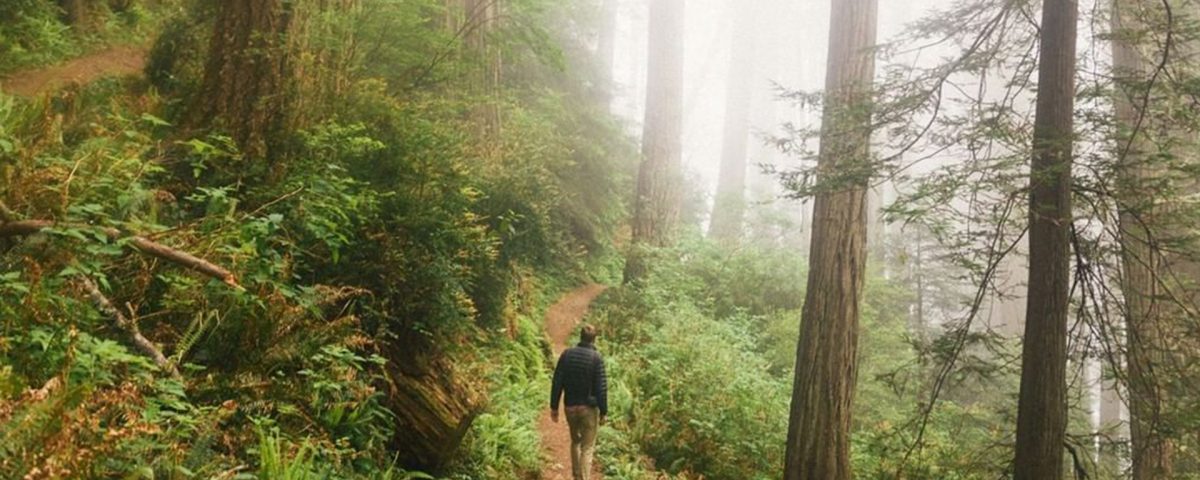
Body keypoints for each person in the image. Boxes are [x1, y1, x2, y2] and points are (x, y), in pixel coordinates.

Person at [550, 324, 608, 480]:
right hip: (588, 409)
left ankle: (577, 476)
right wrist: (603, 411)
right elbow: (601, 388)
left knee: (575, 441)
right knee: (587, 448)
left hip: (570, 408)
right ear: (594, 339)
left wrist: (554, 407)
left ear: (580, 337)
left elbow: (557, 381)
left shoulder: (567, 354)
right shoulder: (596, 358)